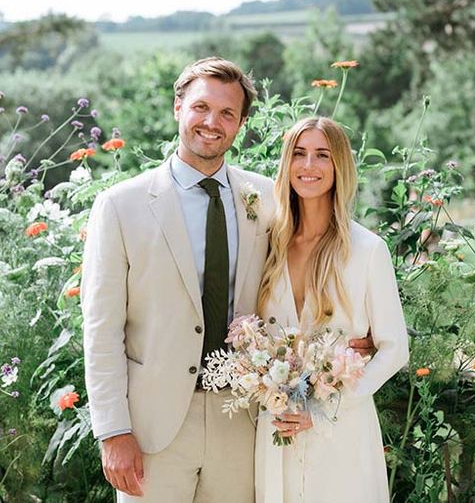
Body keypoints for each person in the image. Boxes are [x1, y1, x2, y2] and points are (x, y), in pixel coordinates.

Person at [81, 58, 373, 501]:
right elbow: (101, 330)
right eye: (201, 107)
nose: (212, 123)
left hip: (245, 421)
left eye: (227, 114)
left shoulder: (268, 200)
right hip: (152, 429)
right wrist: (113, 430)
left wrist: (353, 340)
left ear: (240, 124)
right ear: (178, 107)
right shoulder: (121, 206)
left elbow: (315, 260)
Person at [253, 117, 409, 503]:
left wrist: (326, 407)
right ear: (286, 164)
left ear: (339, 166)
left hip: (341, 428)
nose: (309, 166)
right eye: (299, 154)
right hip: (277, 428)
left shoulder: (367, 250)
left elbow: (394, 349)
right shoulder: (268, 245)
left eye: (322, 155)